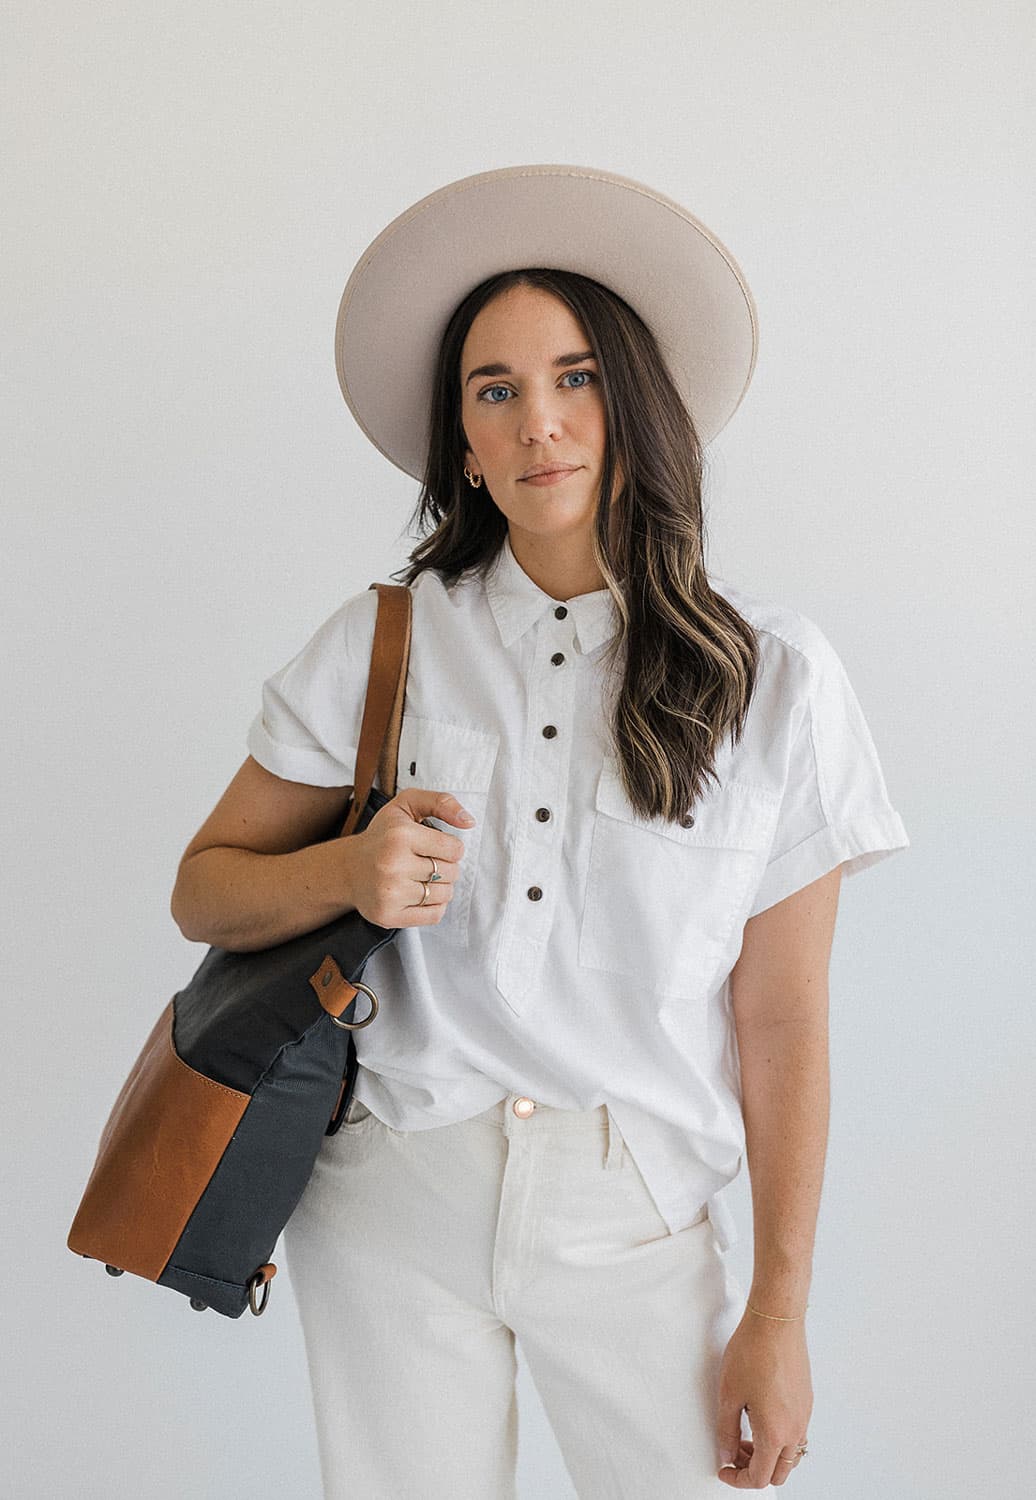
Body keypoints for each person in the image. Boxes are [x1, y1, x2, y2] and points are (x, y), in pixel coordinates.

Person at [170, 165, 910, 1499]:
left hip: (634, 1214)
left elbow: (785, 1020)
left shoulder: (776, 676)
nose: (540, 424)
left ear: (633, 403)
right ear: (461, 439)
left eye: (573, 379)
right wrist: (351, 868)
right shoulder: (386, 641)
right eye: (495, 391)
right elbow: (205, 892)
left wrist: (781, 1315)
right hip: (393, 1190)